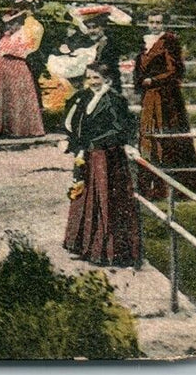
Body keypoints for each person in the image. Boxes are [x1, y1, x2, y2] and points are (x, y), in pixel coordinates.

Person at [62, 65, 140, 267]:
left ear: (108, 80)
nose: (92, 81)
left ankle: (107, 251)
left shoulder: (114, 100)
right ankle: (84, 245)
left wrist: (93, 143)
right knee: (86, 197)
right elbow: (76, 124)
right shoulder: (86, 97)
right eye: (89, 77)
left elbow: (120, 130)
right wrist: (78, 144)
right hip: (89, 154)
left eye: (96, 77)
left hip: (108, 157)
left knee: (105, 200)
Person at [134, 11, 196, 198]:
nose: (154, 25)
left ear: (164, 24)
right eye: (151, 21)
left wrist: (153, 80)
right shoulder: (144, 41)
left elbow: (175, 70)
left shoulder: (170, 41)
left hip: (166, 98)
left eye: (158, 22)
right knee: (148, 139)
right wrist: (140, 81)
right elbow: (139, 67)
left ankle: (176, 189)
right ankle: (151, 188)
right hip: (149, 97)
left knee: (168, 140)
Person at [0, 6, 46, 138]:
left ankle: (17, 128)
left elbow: (22, 51)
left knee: (16, 95)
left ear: (20, 22)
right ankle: (0, 127)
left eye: (13, 22)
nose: (10, 25)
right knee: (0, 96)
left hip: (16, 65)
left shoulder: (24, 34)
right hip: (1, 67)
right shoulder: (7, 35)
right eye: (9, 23)